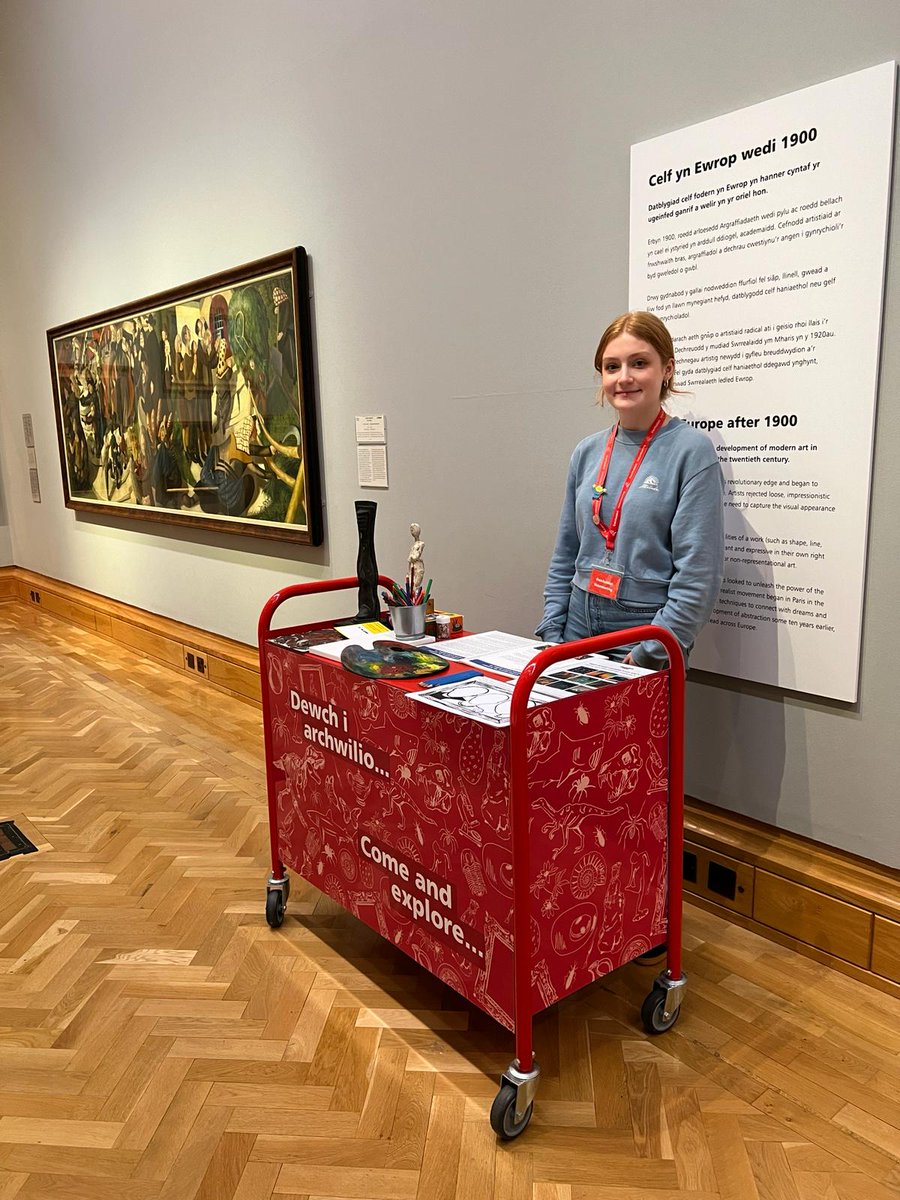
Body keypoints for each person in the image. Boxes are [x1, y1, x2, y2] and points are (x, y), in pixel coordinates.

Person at [537, 311, 724, 670]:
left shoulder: (691, 452)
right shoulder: (587, 451)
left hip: (643, 630)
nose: (624, 378)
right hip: (577, 622)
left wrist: (648, 652)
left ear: (667, 369)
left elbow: (699, 575)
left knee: (633, 728)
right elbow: (566, 551)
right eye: (612, 366)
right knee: (573, 728)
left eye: (639, 363)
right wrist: (551, 629)